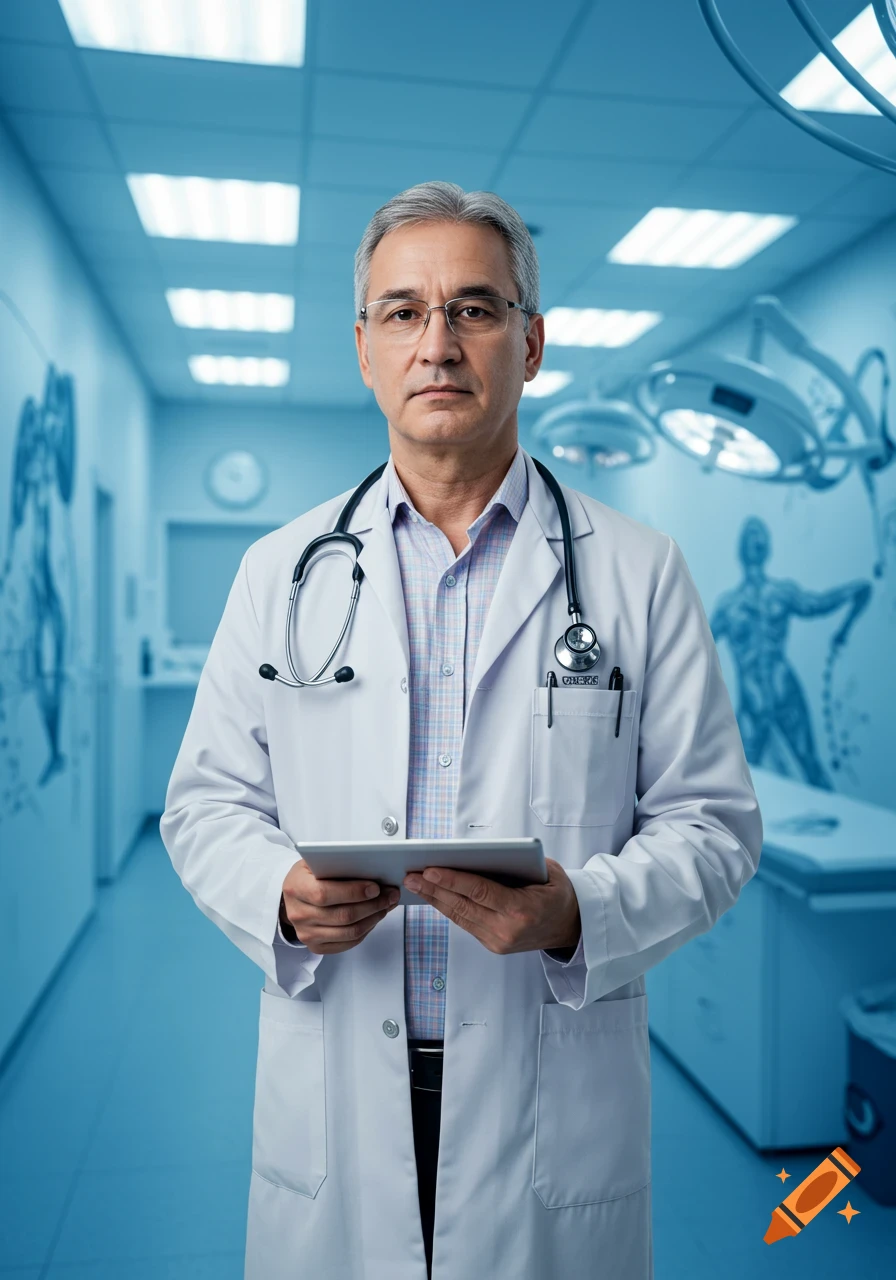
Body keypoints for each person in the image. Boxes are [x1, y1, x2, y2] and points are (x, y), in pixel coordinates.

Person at [160, 180, 763, 1280]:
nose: (436, 342)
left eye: (472, 308)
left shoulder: (634, 571)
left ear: (530, 344)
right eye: (402, 312)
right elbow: (204, 803)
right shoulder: (280, 571)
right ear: (362, 350)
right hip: (338, 1069)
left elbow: (713, 825)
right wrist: (276, 896)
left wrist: (583, 908)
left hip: (548, 1074)